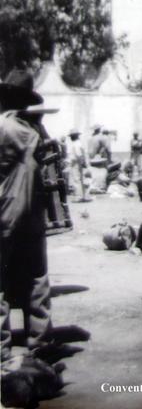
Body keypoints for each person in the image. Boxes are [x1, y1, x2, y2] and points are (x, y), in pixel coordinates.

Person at [0, 69, 53, 363]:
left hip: (5, 214)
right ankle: (41, 342)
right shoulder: (34, 130)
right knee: (36, 278)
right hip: (33, 215)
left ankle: (2, 349)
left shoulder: (2, 127)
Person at [67, 129, 91, 201]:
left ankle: (79, 197)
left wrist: (80, 165)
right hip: (77, 163)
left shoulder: (76, 144)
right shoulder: (79, 143)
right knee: (81, 180)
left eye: (71, 136)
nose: (70, 138)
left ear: (74, 136)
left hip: (76, 164)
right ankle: (84, 196)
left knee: (77, 180)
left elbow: (79, 155)